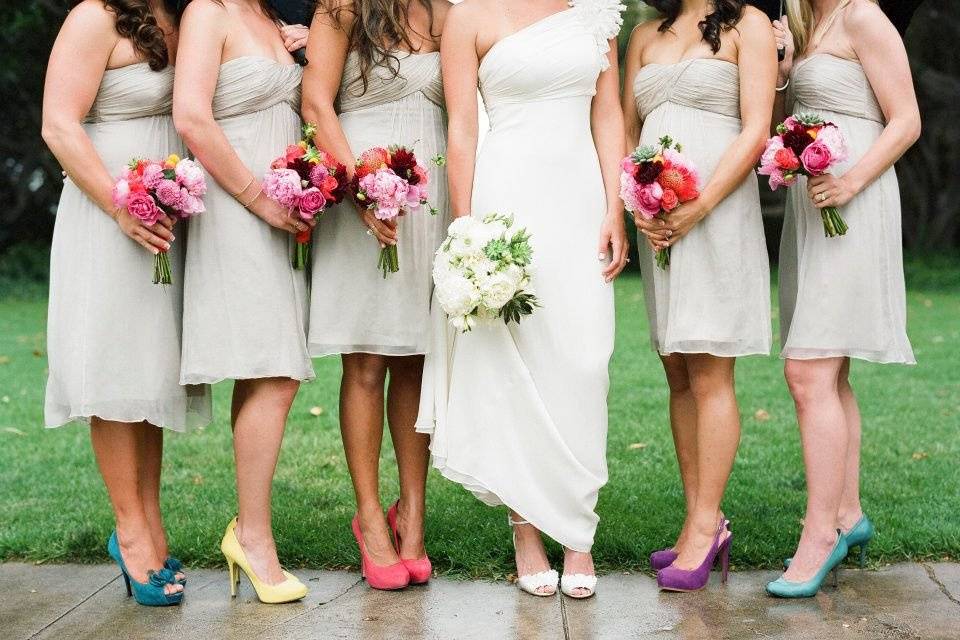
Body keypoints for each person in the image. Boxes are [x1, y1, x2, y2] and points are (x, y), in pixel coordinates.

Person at [417, 0, 629, 599]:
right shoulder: (468, 16)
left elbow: (607, 114)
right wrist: (467, 230)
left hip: (580, 200)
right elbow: (461, 126)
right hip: (506, 197)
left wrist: (616, 207)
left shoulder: (596, 11)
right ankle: (527, 530)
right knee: (518, 359)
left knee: (585, 360)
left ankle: (578, 533)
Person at [42, 0, 212, 606]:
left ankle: (150, 523)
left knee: (148, 373)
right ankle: (131, 532)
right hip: (107, 215)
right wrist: (121, 205)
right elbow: (59, 124)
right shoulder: (94, 16)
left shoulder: (184, 14)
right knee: (115, 371)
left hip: (164, 217)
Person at [767, 0, 919, 598]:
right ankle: (849, 513)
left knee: (807, 372)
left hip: (856, 199)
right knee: (830, 373)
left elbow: (906, 119)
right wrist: (783, 69)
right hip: (814, 209)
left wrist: (852, 181)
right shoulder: (806, 23)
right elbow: (789, 121)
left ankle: (820, 536)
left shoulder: (863, 17)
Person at [623, 0, 776, 592]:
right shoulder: (644, 35)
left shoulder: (750, 26)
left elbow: (757, 126)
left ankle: (706, 524)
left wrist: (702, 204)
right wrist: (639, 199)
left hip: (715, 212)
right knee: (678, 370)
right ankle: (698, 519)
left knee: (711, 371)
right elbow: (629, 128)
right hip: (659, 218)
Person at [302, 0, 451, 591]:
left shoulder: (443, 10)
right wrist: (359, 185)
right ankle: (369, 517)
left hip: (429, 195)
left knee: (418, 359)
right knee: (365, 361)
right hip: (360, 189)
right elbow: (315, 100)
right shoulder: (340, 9)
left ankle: (413, 515)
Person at [173, 0, 314, 604]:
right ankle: (252, 538)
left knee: (271, 370)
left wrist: (306, 47)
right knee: (274, 370)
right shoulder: (208, 11)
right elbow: (191, 119)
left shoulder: (271, 17)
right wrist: (259, 198)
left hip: (282, 213)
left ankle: (250, 533)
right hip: (240, 208)